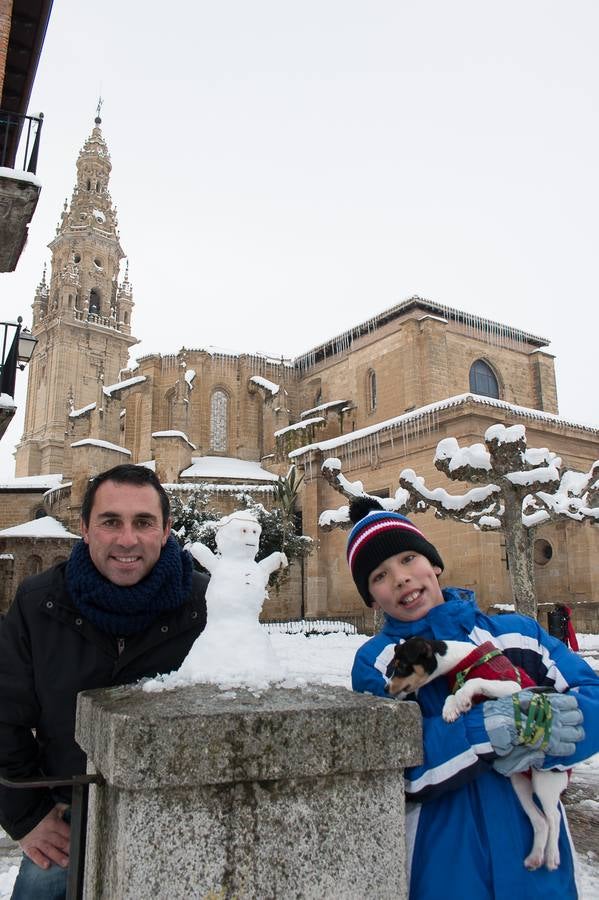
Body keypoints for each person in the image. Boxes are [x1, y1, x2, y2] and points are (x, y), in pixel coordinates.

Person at [348, 497, 599, 900]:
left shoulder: (518, 635)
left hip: (537, 871)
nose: (400, 578)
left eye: (409, 558)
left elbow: (591, 697)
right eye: (379, 575)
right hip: (444, 872)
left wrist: (545, 729)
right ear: (372, 598)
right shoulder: (379, 664)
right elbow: (392, 764)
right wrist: (484, 730)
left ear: (435, 564)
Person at [0, 464, 209, 900]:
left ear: (167, 530)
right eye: (111, 521)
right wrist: (28, 818)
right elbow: (4, 716)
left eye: (144, 522)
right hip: (68, 818)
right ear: (85, 528)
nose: (127, 539)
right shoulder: (39, 602)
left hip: (181, 817)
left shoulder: (206, 605)